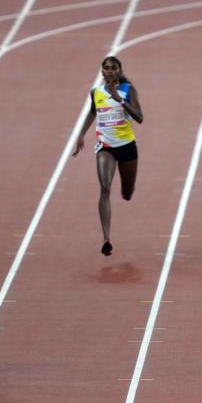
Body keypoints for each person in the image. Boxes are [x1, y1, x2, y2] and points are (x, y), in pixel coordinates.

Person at [73, 56, 144, 256]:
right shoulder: (96, 92)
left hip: (127, 146)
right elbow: (92, 112)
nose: (109, 71)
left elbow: (140, 117)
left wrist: (120, 100)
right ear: (102, 71)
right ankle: (106, 239)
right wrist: (81, 135)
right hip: (106, 147)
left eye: (113, 68)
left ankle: (126, 191)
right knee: (104, 187)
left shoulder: (128, 90)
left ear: (119, 70)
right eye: (106, 68)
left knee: (127, 194)